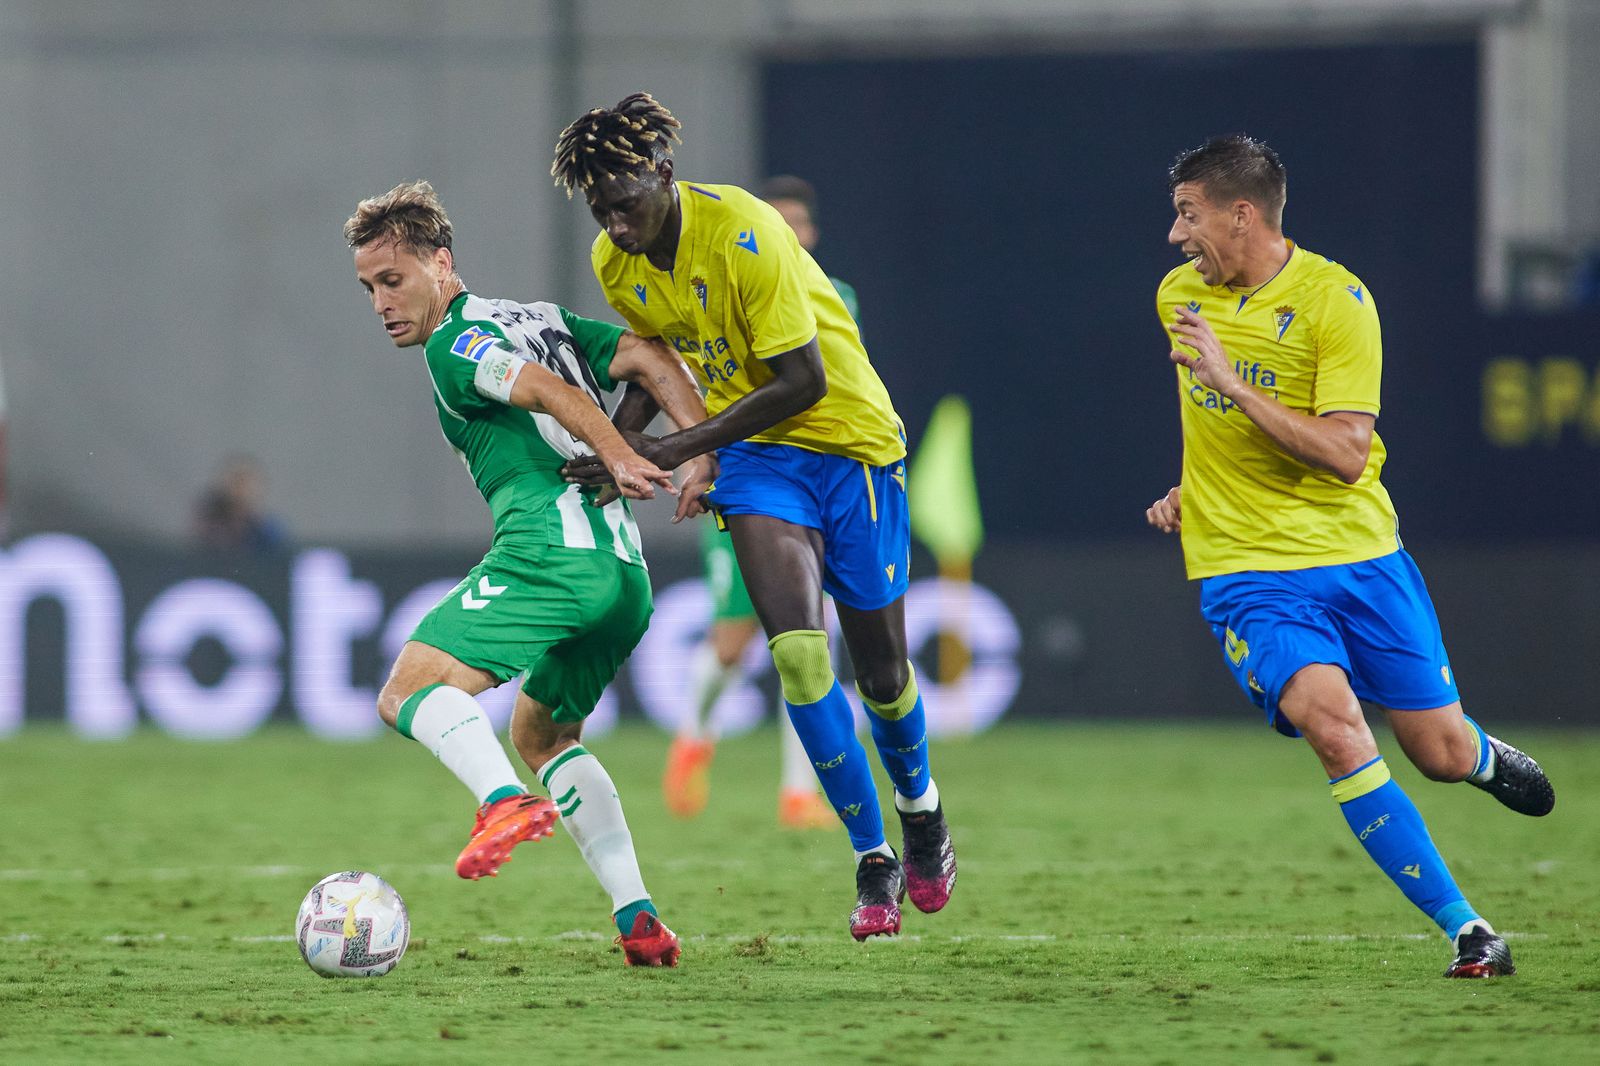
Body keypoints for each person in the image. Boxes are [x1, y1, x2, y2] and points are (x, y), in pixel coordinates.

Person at [1146, 135, 1554, 978]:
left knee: (1436, 755)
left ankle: (1477, 755)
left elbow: (1341, 452)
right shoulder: (1180, 297)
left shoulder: (1339, 302)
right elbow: (1214, 429)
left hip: (1361, 556)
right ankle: (1468, 930)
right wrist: (1199, 488)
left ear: (1242, 212)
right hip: (1248, 571)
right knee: (1333, 725)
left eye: (1189, 214)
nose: (1177, 236)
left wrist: (1233, 384)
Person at [551, 92, 956, 941]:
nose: (617, 225)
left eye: (627, 203)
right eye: (602, 211)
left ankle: (921, 811)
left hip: (851, 445)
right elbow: (652, 365)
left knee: (882, 676)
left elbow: (802, 382)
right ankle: (872, 859)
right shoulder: (615, 260)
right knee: (802, 660)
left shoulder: (744, 232)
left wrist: (675, 450)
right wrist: (622, 449)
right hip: (760, 463)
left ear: (664, 173)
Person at [345, 180, 712, 967]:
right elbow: (649, 354)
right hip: (623, 574)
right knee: (542, 732)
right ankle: (638, 918)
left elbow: (541, 389)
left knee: (407, 691)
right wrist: (699, 451)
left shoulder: (457, 343)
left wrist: (620, 454)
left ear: (443, 264)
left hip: (550, 552)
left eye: (394, 279)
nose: (381, 301)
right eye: (370, 287)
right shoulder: (540, 318)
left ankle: (500, 802)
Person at [663, 175, 861, 831]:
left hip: (812, 483)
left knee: (808, 640)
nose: (792, 235)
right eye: (780, 224)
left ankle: (799, 792)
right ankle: (694, 737)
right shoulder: (719, 298)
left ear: (811, 233)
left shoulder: (838, 298)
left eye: (800, 224)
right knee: (731, 644)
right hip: (743, 479)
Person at [194, 454, 289, 554]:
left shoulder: (268, 531)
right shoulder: (208, 525)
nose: (241, 490)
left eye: (246, 483)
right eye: (237, 481)